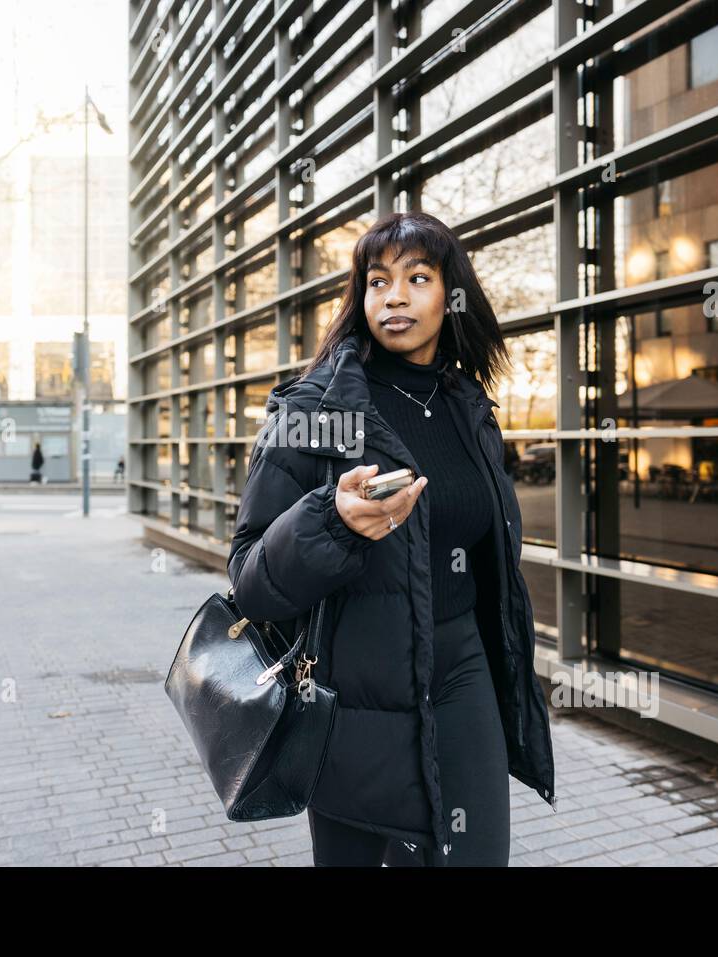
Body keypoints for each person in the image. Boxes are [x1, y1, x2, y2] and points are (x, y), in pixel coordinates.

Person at [226, 211, 555, 867]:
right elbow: (251, 578)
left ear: (450, 294)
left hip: (462, 670)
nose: (395, 296)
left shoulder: (469, 407)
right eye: (378, 281)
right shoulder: (314, 410)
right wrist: (331, 521)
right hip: (354, 693)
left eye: (417, 277)